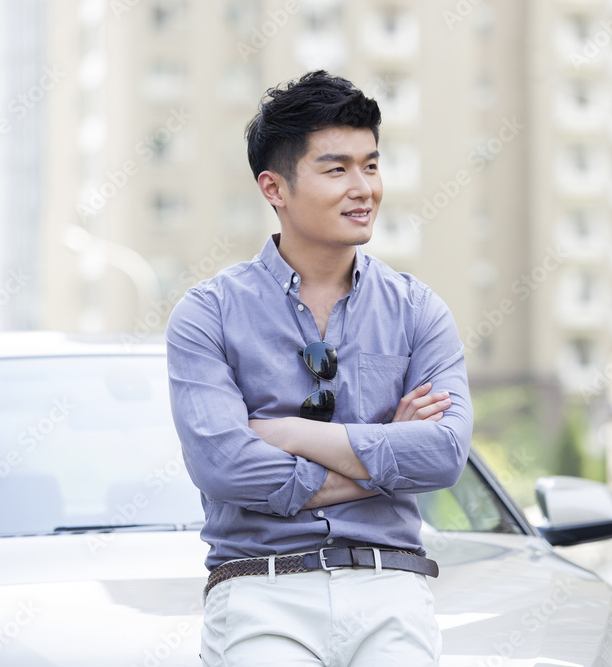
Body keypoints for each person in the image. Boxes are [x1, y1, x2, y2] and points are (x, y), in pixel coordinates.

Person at [165, 70, 473, 666]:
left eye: (372, 165)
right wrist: (387, 455)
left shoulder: (418, 311)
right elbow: (225, 466)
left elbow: (443, 454)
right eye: (337, 169)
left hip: (392, 584)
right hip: (259, 587)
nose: (363, 188)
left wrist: (294, 434)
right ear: (274, 188)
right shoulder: (208, 315)